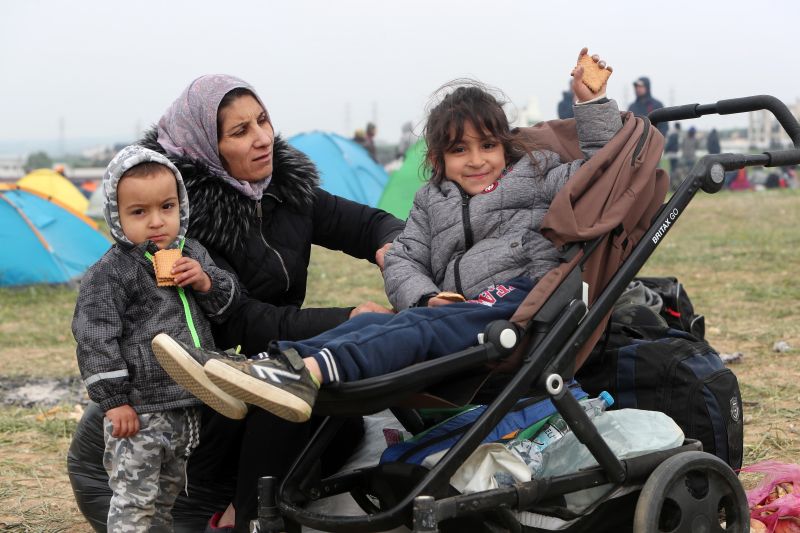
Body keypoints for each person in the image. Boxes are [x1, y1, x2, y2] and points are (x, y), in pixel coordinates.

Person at [153, 48, 623, 425]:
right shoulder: (431, 200)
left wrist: (591, 107)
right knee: (370, 324)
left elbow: (601, 176)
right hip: (458, 307)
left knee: (414, 327)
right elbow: (403, 258)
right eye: (460, 150)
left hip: (519, 303)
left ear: (506, 144)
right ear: (438, 159)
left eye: (488, 146)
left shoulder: (537, 175)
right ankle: (269, 370)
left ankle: (310, 372)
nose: (477, 160)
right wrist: (422, 295)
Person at [70, 75, 405, 531]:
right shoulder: (180, 221)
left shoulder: (283, 192)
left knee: (340, 420)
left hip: (251, 368)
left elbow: (364, 224)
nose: (262, 138)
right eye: (240, 131)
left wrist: (394, 248)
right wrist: (348, 319)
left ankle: (267, 503)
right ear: (208, 145)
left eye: (263, 121)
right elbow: (242, 321)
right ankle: (243, 519)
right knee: (284, 393)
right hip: (180, 401)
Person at [72, 145, 243, 530]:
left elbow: (225, 305)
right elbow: (94, 337)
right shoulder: (113, 272)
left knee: (167, 500)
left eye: (167, 207)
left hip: (187, 407)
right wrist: (115, 402)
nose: (156, 222)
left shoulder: (192, 253)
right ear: (117, 218)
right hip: (142, 411)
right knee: (134, 501)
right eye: (139, 212)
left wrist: (204, 280)